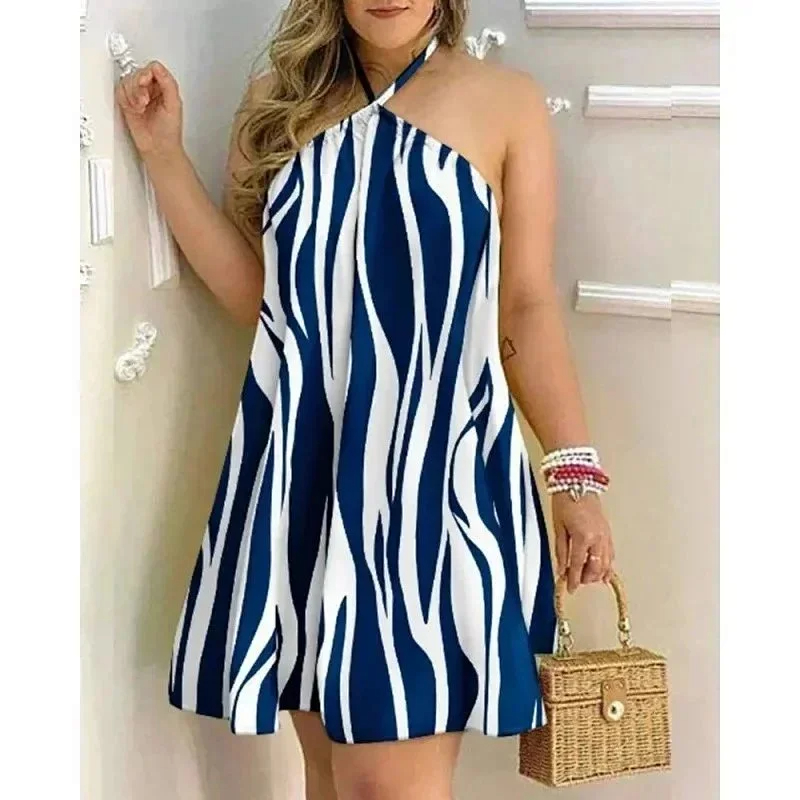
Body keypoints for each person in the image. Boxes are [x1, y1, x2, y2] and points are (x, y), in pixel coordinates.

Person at [116, 2, 615, 798]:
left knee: (385, 785)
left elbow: (524, 306)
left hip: (436, 482)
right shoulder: (280, 101)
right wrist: (164, 157)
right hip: (304, 470)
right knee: (329, 780)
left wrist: (574, 475)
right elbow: (261, 300)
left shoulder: (505, 103)